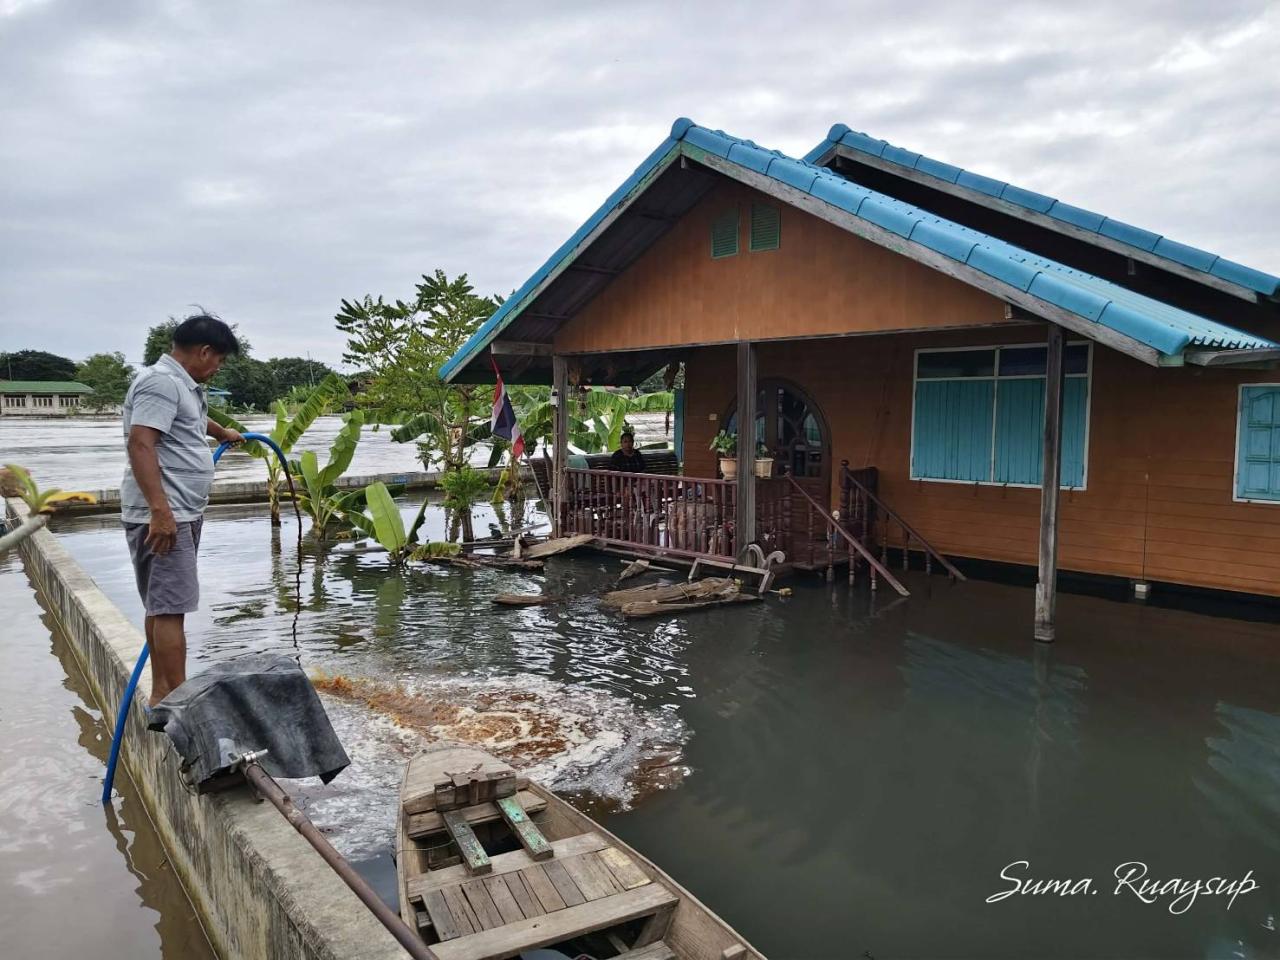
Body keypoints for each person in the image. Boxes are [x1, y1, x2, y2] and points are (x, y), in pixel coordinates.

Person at [120, 313, 243, 707]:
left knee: (162, 605)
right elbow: (141, 444)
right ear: (204, 351)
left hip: (180, 511)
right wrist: (161, 511)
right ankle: (174, 699)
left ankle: (163, 694)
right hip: (166, 513)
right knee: (172, 609)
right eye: (218, 360)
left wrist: (221, 433)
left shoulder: (180, 386)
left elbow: (189, 421)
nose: (218, 368)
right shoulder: (160, 382)